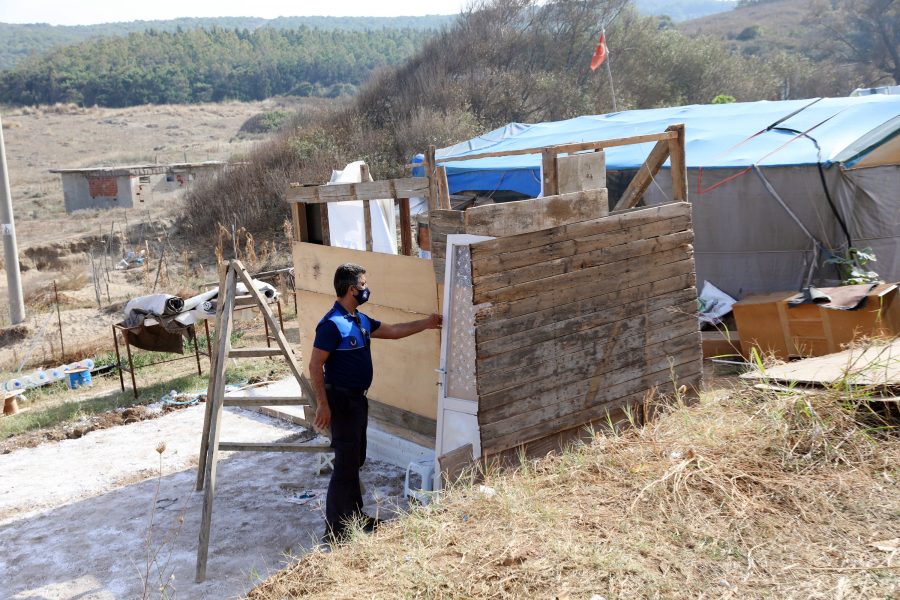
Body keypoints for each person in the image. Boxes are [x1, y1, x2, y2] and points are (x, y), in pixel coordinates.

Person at [309, 263, 441, 542]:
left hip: (358, 400)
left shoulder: (359, 320)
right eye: (363, 285)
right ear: (351, 289)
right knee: (345, 464)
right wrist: (323, 404)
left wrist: (427, 323)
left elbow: (394, 330)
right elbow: (315, 366)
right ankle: (336, 530)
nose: (367, 289)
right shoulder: (332, 324)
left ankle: (356, 517)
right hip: (341, 401)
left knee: (354, 460)